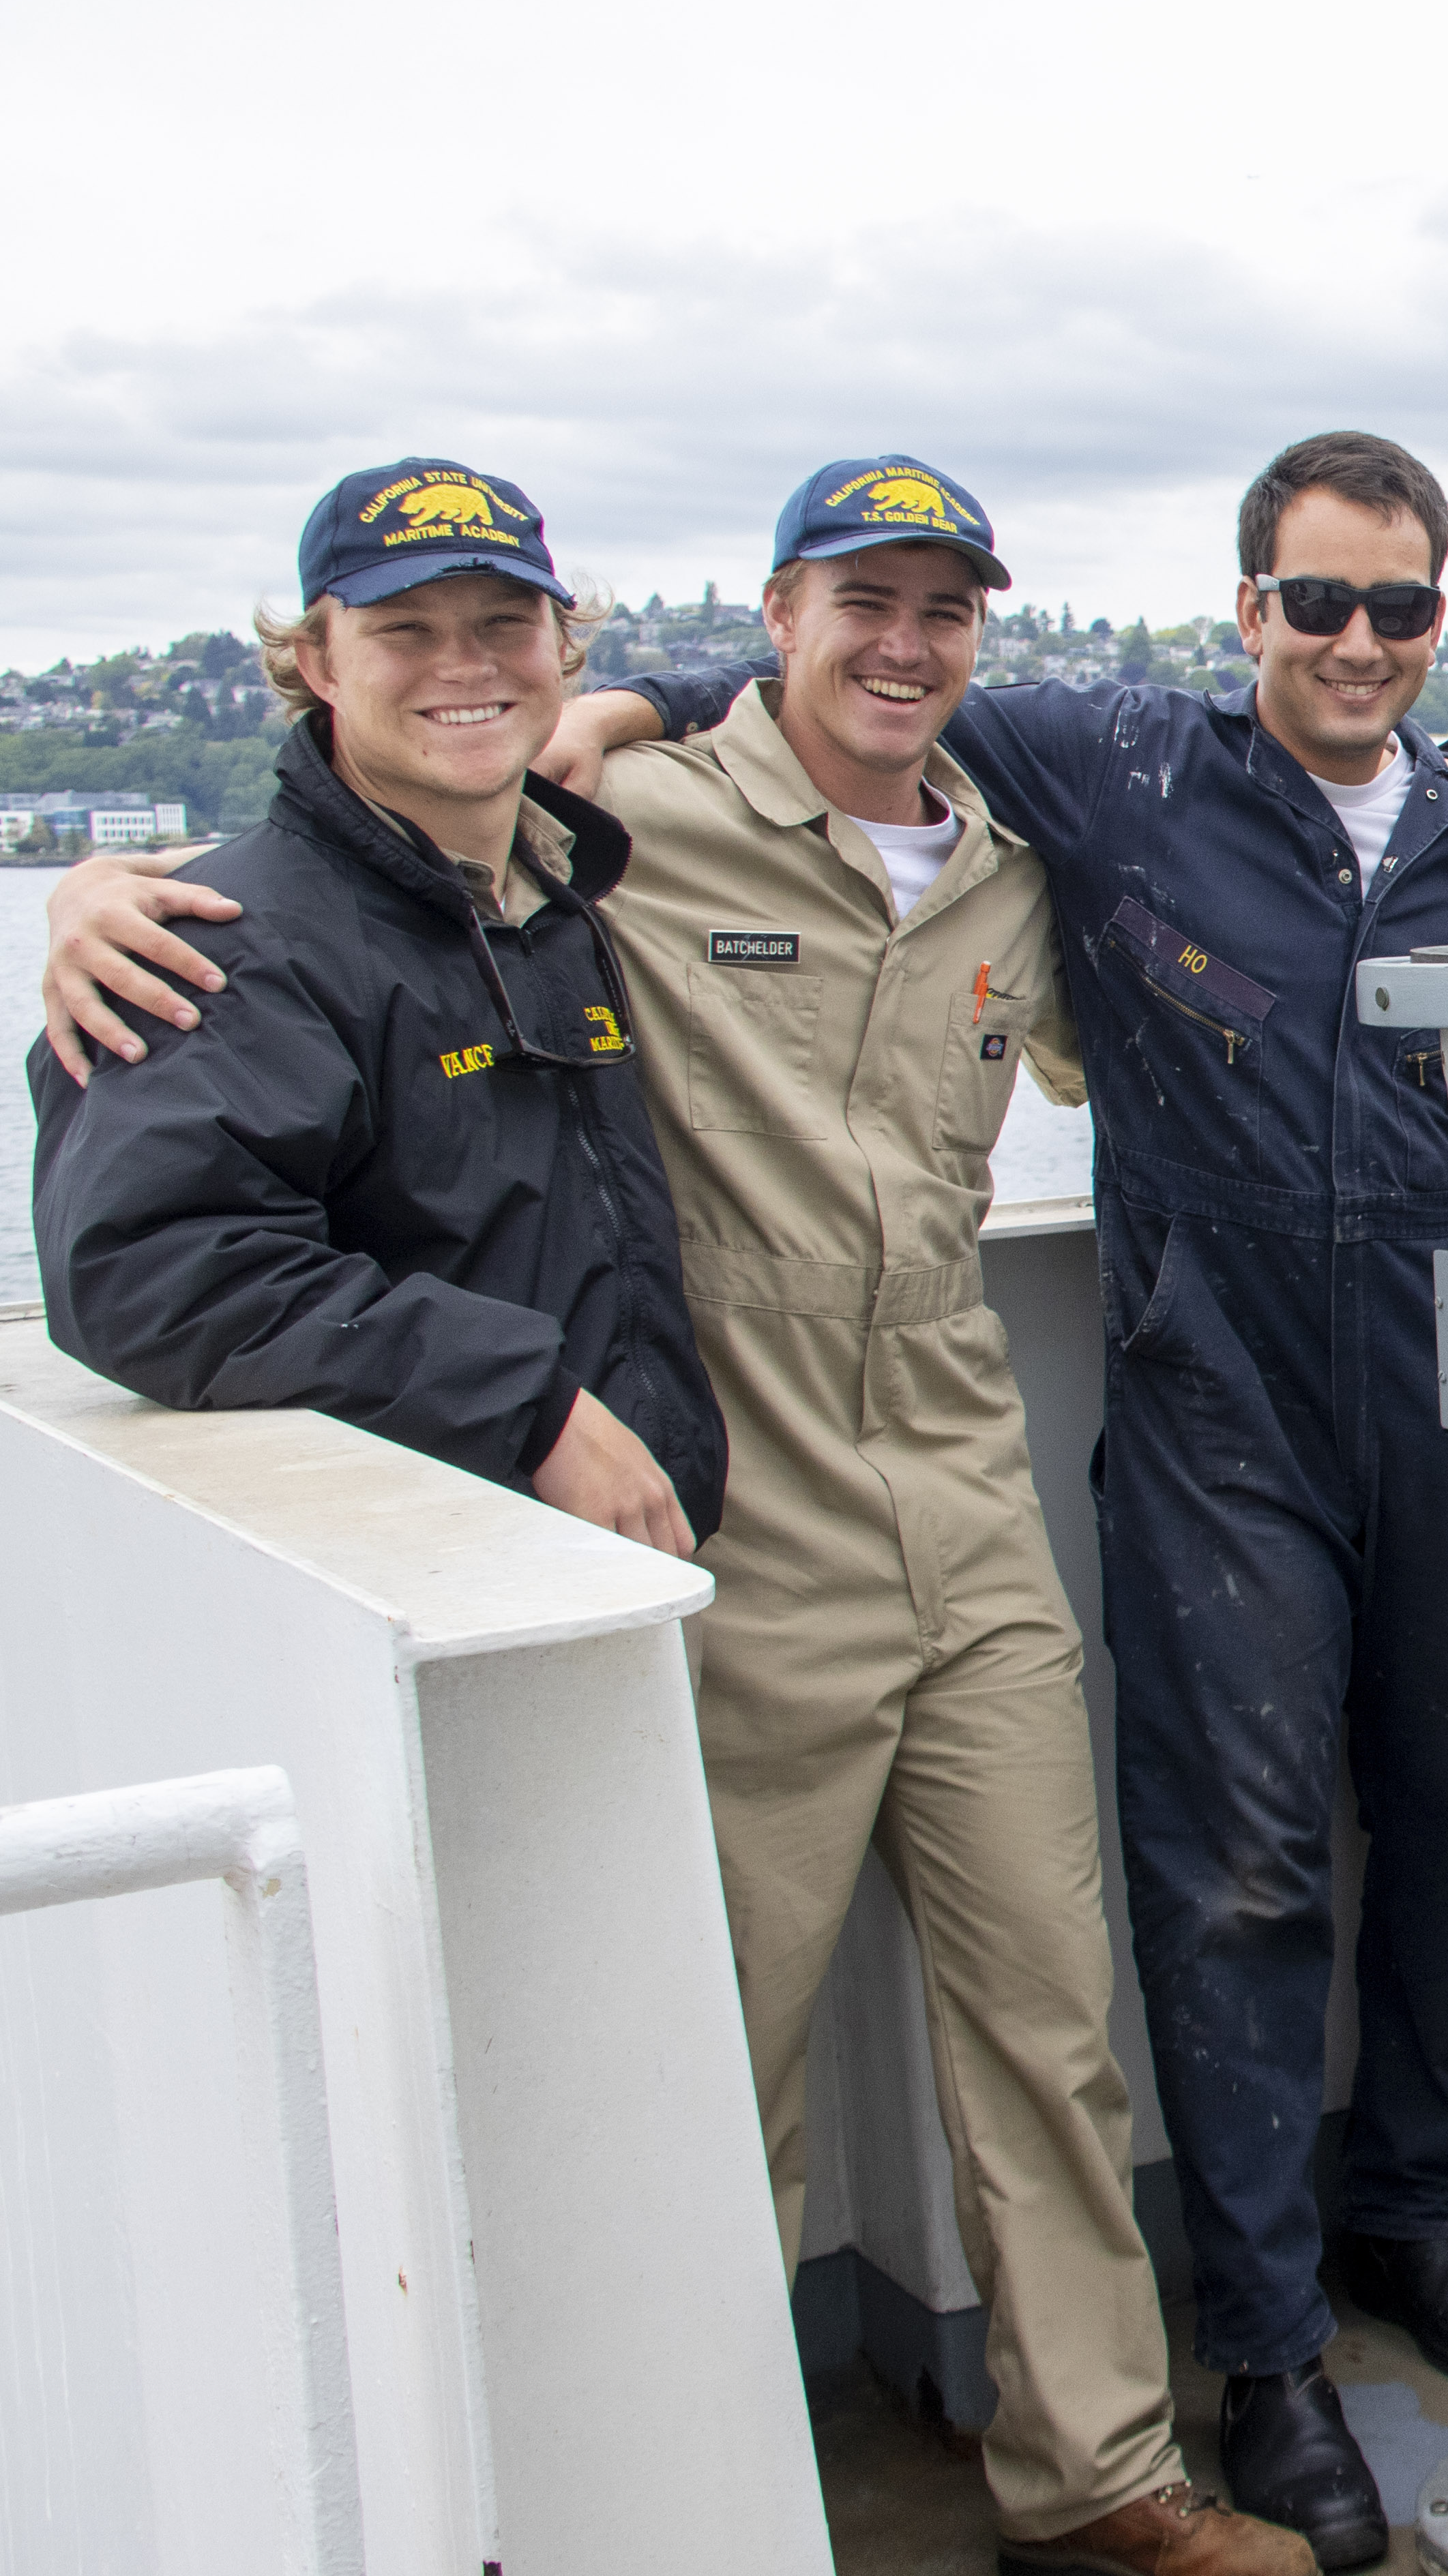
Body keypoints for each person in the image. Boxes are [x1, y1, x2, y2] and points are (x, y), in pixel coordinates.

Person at [43, 459, 1319, 2576]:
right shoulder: (627, 840)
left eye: (944, 607)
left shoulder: (995, 870)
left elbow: (1154, 1037)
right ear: (775, 609)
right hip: (738, 1518)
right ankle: (711, 2513)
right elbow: (346, 919)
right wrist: (109, 895)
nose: (903, 644)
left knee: (1052, 2017)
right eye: (860, 602)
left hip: (973, 1499)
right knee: (722, 2053)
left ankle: (1096, 2480)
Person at [525, 434, 1448, 2551]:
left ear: (1442, 624)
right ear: (1243, 609)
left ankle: (1412, 2216)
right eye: (1317, 602)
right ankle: (1263, 2357)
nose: (1360, 643)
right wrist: (600, 702)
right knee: (1238, 1867)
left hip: (1445, 1392)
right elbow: (850, 671)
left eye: (1402, 609)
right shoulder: (1116, 772)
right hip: (1213, 1401)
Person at [31, 460, 722, 1566]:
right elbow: (153, 1272)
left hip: (607, 1554)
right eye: (406, 630)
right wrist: (529, 1404)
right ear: (318, 660)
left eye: (506, 622)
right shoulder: (216, 942)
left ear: (563, 648)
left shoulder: (547, 908)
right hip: (416, 1570)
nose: (465, 666)